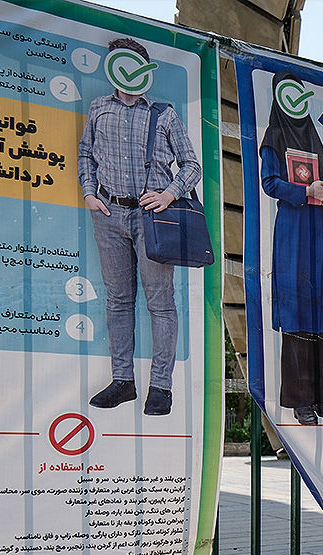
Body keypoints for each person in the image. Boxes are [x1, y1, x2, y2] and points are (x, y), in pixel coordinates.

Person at [79, 37, 202, 416]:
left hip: (153, 219)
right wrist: (89, 193)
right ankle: (123, 382)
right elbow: (86, 153)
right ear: (114, 69)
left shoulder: (162, 115)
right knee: (118, 301)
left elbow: (192, 165)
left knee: (160, 303)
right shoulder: (98, 109)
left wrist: (167, 195)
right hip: (109, 215)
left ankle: (161, 388)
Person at [260, 72, 323, 426]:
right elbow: (269, 183)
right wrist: (303, 194)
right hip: (292, 231)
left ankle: (319, 397)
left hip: (317, 231)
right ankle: (299, 400)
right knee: (296, 311)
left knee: (319, 309)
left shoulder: (312, 135)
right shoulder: (273, 136)